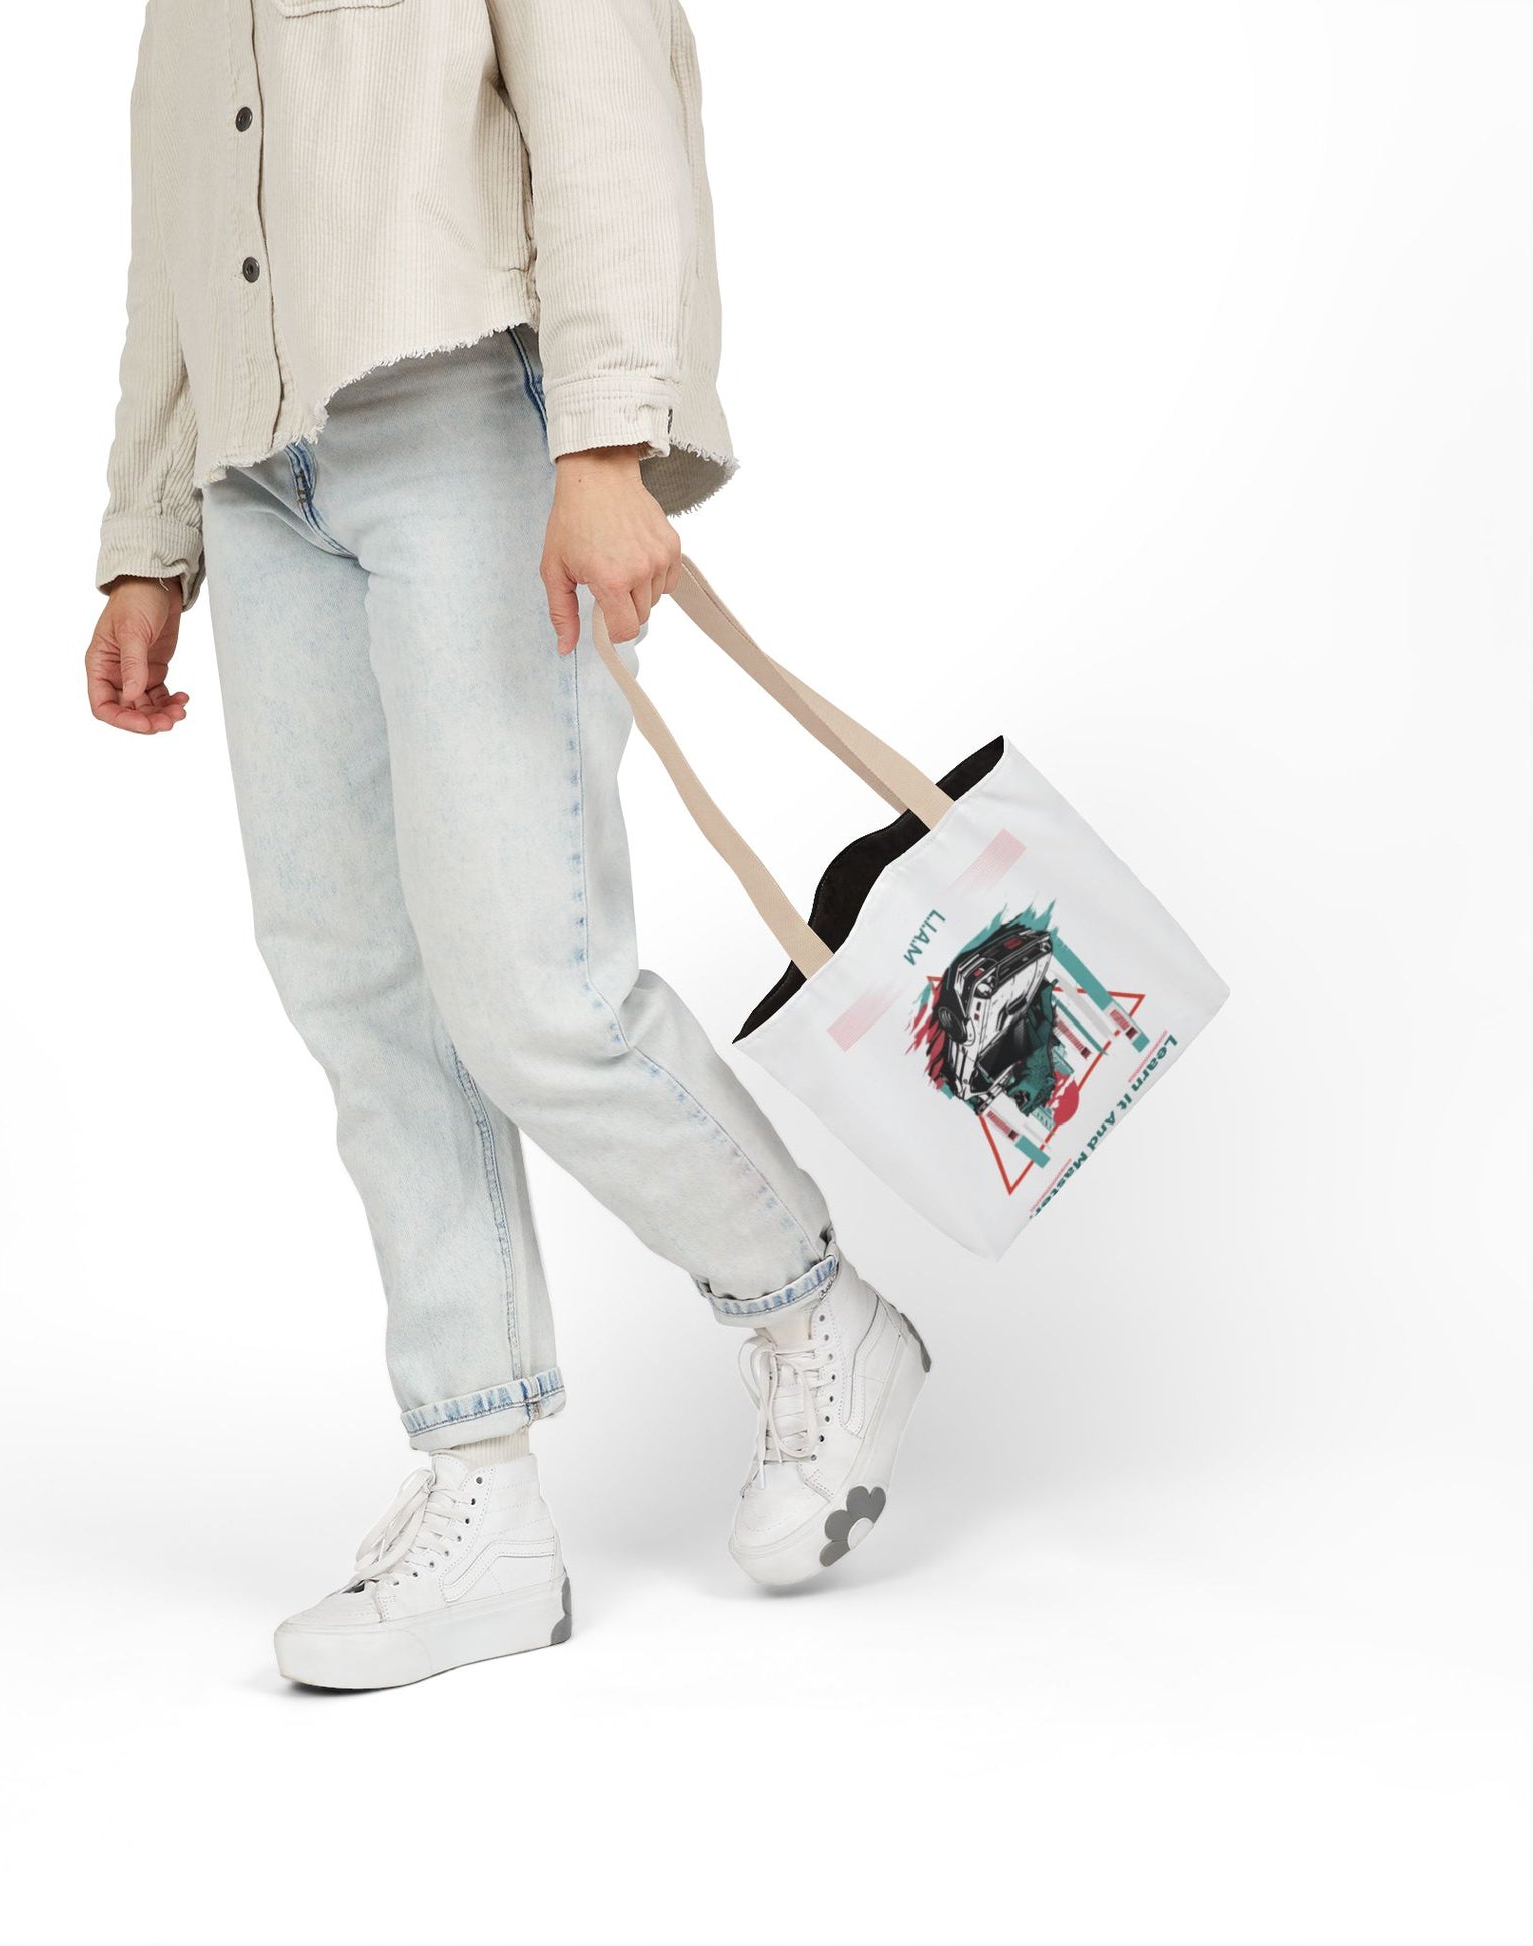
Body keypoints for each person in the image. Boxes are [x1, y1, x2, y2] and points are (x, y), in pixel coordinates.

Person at [84, 0, 930, 1690]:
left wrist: (603, 441)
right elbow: (175, 220)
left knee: (532, 987)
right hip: (260, 477)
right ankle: (479, 1485)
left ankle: (808, 1303)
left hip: (462, 417)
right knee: (359, 994)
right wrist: (144, 538)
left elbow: (607, 111)